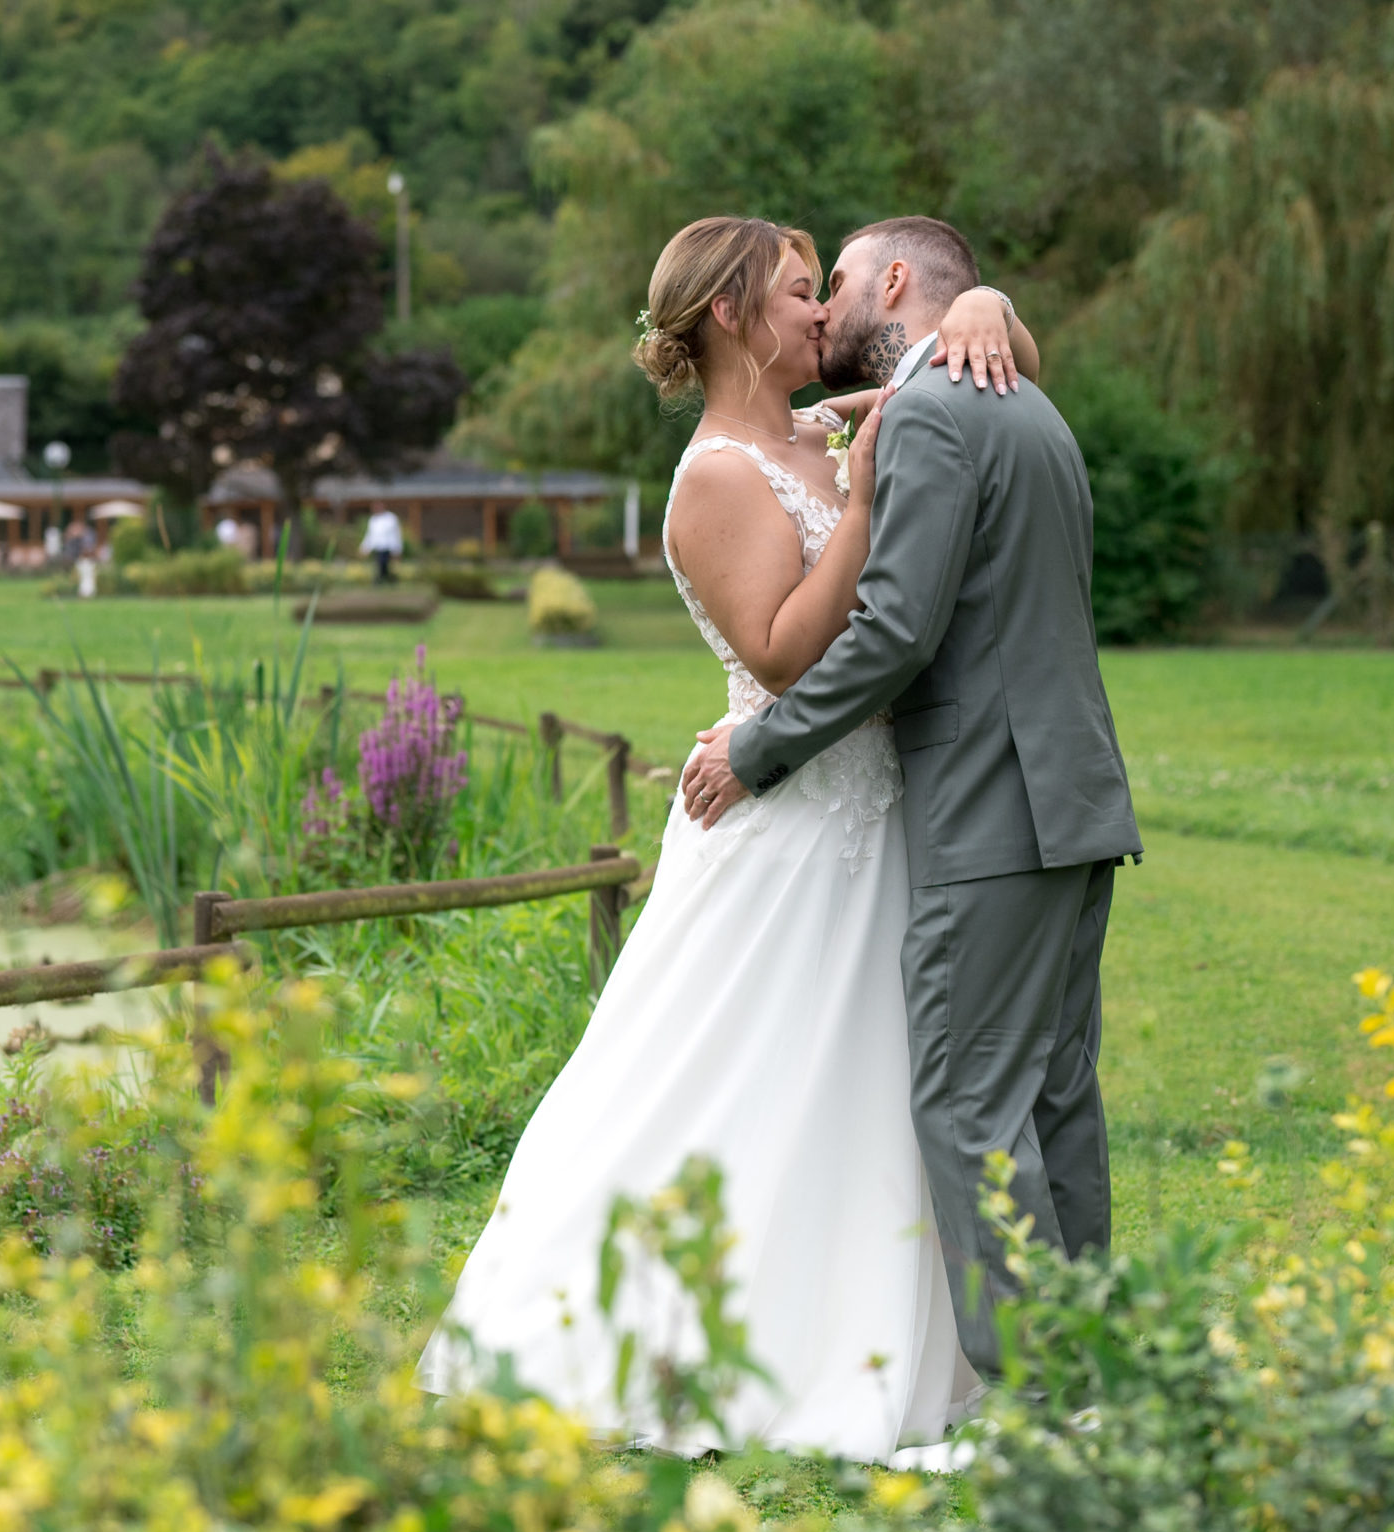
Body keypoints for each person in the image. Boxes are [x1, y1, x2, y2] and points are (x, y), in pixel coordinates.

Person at [420, 215, 1041, 1463]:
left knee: (875, 1089)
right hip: (783, 824)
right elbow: (779, 649)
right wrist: (866, 500)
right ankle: (658, 1343)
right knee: (729, 1078)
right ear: (729, 315)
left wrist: (989, 307)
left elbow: (981, 359)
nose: (825, 315)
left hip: (880, 809)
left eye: (826, 292)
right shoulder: (716, 474)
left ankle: (876, 1335)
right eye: (802, 294)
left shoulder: (820, 427)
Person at [680, 216, 1140, 1375]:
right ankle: (1088, 1378)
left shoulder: (934, 410)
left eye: (832, 282)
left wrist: (759, 748)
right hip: (1071, 794)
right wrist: (982, 318)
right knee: (1051, 1098)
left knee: (969, 1104)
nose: (824, 310)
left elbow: (893, 631)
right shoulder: (1017, 402)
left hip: (994, 802)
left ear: (894, 281)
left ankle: (1037, 1398)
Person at [362, 505, 403, 584]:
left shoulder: (391, 518)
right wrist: (365, 547)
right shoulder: (373, 520)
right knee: (379, 564)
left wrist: (397, 548)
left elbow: (396, 534)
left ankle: (386, 580)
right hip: (378, 547)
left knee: (386, 564)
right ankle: (383, 580)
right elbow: (370, 535)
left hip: (388, 546)